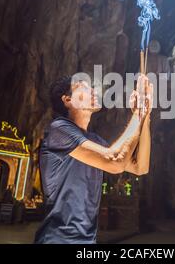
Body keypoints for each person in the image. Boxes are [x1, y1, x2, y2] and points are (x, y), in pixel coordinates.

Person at [34, 74, 153, 244]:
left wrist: (145, 117)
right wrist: (137, 114)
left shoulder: (96, 142)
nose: (93, 90)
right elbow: (115, 162)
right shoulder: (58, 130)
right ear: (67, 100)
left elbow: (140, 167)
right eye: (83, 87)